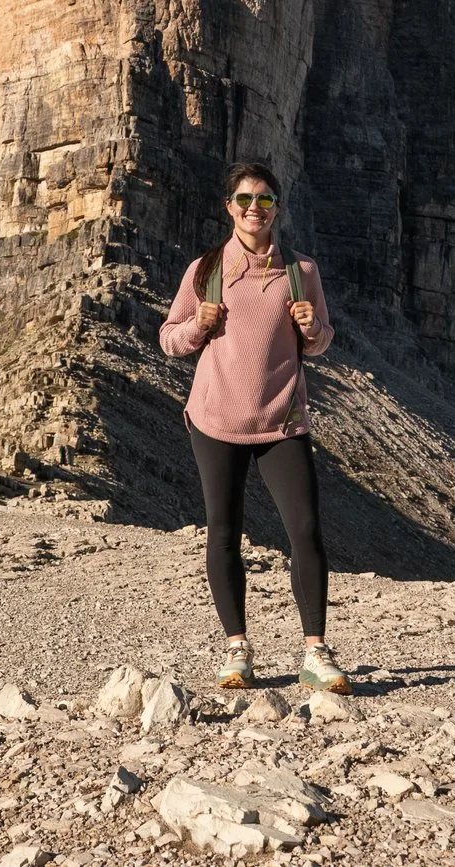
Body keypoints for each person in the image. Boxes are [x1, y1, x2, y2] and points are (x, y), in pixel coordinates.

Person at [158, 159, 348, 693]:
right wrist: (200, 323)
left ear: (277, 208)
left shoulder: (301, 271)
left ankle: (315, 651)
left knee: (305, 530)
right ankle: (237, 651)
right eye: (244, 199)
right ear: (229, 207)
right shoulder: (204, 270)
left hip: (282, 419)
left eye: (264, 200)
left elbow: (321, 339)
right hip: (215, 419)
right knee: (223, 532)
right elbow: (169, 338)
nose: (253, 209)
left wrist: (314, 330)